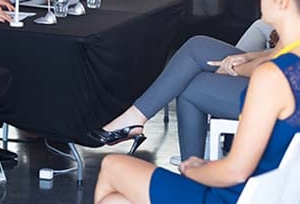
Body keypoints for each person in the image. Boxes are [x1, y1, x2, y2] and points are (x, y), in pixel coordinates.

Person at [58, 0, 300, 204]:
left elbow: (236, 170)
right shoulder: (289, 68)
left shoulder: (272, 77)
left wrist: (195, 169)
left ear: (282, 0)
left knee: (113, 166)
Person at [89, 19, 280, 160]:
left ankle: (191, 170)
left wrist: (233, 68)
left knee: (191, 88)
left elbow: (285, 65)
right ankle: (137, 118)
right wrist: (249, 57)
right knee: (197, 46)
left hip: (282, 94)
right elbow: (282, 51)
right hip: (273, 77)